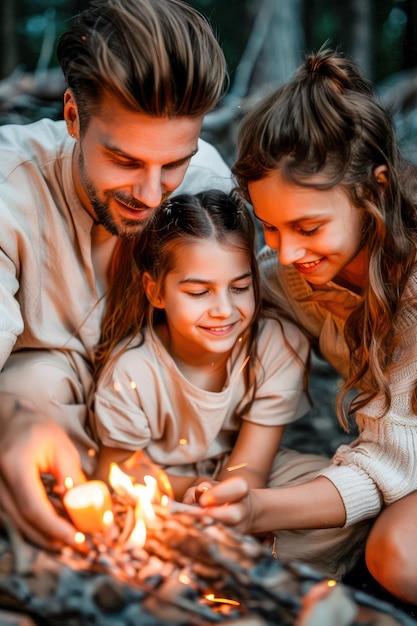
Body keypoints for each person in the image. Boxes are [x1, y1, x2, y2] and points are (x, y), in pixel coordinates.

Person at [0, 0, 233, 550]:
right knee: (31, 382)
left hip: (161, 430)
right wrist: (8, 421)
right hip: (44, 418)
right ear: (73, 115)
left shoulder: (206, 185)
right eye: (126, 161)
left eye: (172, 163)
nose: (152, 196)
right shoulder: (9, 189)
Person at [191, 48, 417, 602]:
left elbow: (393, 462)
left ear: (375, 189)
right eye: (270, 225)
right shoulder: (290, 274)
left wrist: (257, 507)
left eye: (308, 226)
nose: (287, 251)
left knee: (399, 556)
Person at [90, 189, 367, 578]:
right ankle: (238, 565)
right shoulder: (132, 371)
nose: (223, 309)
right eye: (199, 292)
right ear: (155, 291)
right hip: (165, 484)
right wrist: (198, 489)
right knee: (123, 516)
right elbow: (116, 470)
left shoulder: (275, 343)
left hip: (243, 477)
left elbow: (251, 465)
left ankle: (232, 562)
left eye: (239, 287)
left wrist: (231, 502)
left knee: (329, 489)